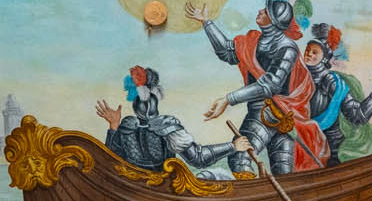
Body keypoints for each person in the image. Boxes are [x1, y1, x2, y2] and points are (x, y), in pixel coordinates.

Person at [183, 0, 329, 175]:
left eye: (266, 11)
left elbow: (270, 85)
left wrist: (228, 99)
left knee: (245, 158)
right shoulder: (252, 41)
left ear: (275, 20)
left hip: (276, 114)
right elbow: (227, 52)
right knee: (248, 159)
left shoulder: (287, 48)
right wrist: (206, 23)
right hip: (262, 112)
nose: (260, 11)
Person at [94, 66, 254, 179]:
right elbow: (198, 158)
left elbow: (110, 161)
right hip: (159, 191)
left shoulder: (127, 127)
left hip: (137, 190)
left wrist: (113, 126)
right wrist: (233, 146)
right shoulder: (163, 126)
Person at [301, 23, 372, 163]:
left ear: (324, 58)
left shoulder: (332, 82)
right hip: (300, 139)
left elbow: (357, 116)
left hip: (329, 147)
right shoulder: (297, 77)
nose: (308, 54)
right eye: (307, 50)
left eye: (315, 52)